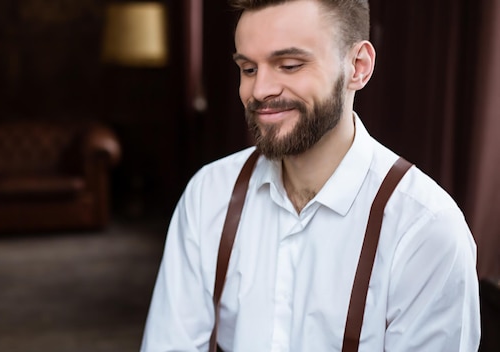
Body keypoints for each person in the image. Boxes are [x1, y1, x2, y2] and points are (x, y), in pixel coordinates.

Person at [140, 0, 481, 351]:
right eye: (248, 69)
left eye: (288, 65)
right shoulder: (208, 194)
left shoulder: (425, 230)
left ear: (358, 67)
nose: (259, 91)